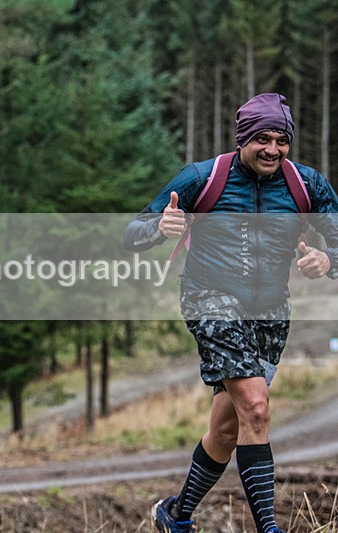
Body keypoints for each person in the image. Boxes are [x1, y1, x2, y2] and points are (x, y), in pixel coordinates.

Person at [124, 93, 338, 533]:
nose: (273, 150)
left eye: (282, 140)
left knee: (227, 429)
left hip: (271, 310)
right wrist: (159, 229)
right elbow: (132, 232)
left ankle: (176, 515)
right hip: (210, 298)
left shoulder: (306, 185)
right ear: (243, 139)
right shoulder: (204, 178)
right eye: (262, 138)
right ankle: (270, 529)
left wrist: (328, 261)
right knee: (256, 409)